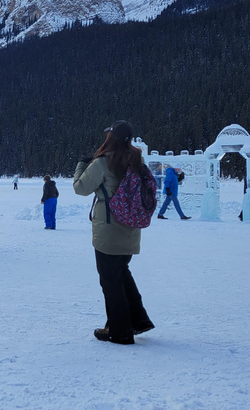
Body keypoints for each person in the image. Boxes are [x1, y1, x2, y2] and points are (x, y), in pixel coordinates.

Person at [73, 120, 155, 345]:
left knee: (110, 280)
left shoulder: (102, 162)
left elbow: (80, 188)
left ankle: (120, 331)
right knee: (121, 273)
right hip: (130, 228)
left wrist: (82, 164)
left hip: (108, 231)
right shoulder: (137, 159)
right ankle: (138, 320)